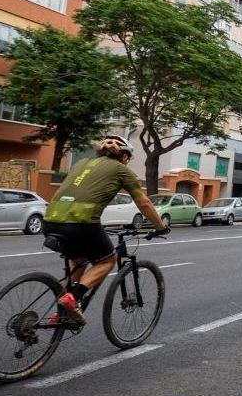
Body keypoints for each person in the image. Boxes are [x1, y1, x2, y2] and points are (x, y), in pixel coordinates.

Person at [42, 135, 167, 327]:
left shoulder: (82, 162)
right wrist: (160, 227)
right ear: (124, 157)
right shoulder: (121, 170)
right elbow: (144, 202)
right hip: (81, 223)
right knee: (107, 261)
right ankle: (72, 299)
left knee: (80, 260)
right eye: (128, 158)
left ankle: (61, 313)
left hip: (50, 219)